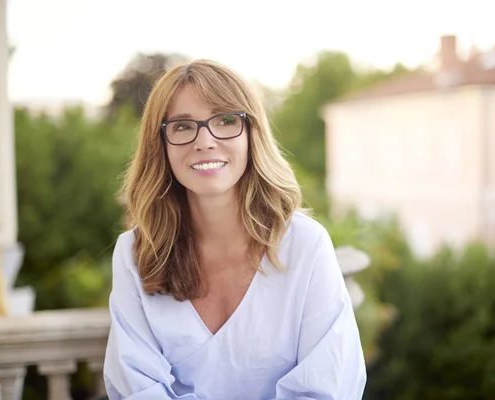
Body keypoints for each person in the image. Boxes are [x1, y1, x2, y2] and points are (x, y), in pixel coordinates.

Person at [103, 59, 367, 400]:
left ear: (251, 135)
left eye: (226, 121)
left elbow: (328, 389)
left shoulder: (306, 246)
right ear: (161, 145)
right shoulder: (136, 253)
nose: (205, 141)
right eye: (183, 127)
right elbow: (136, 389)